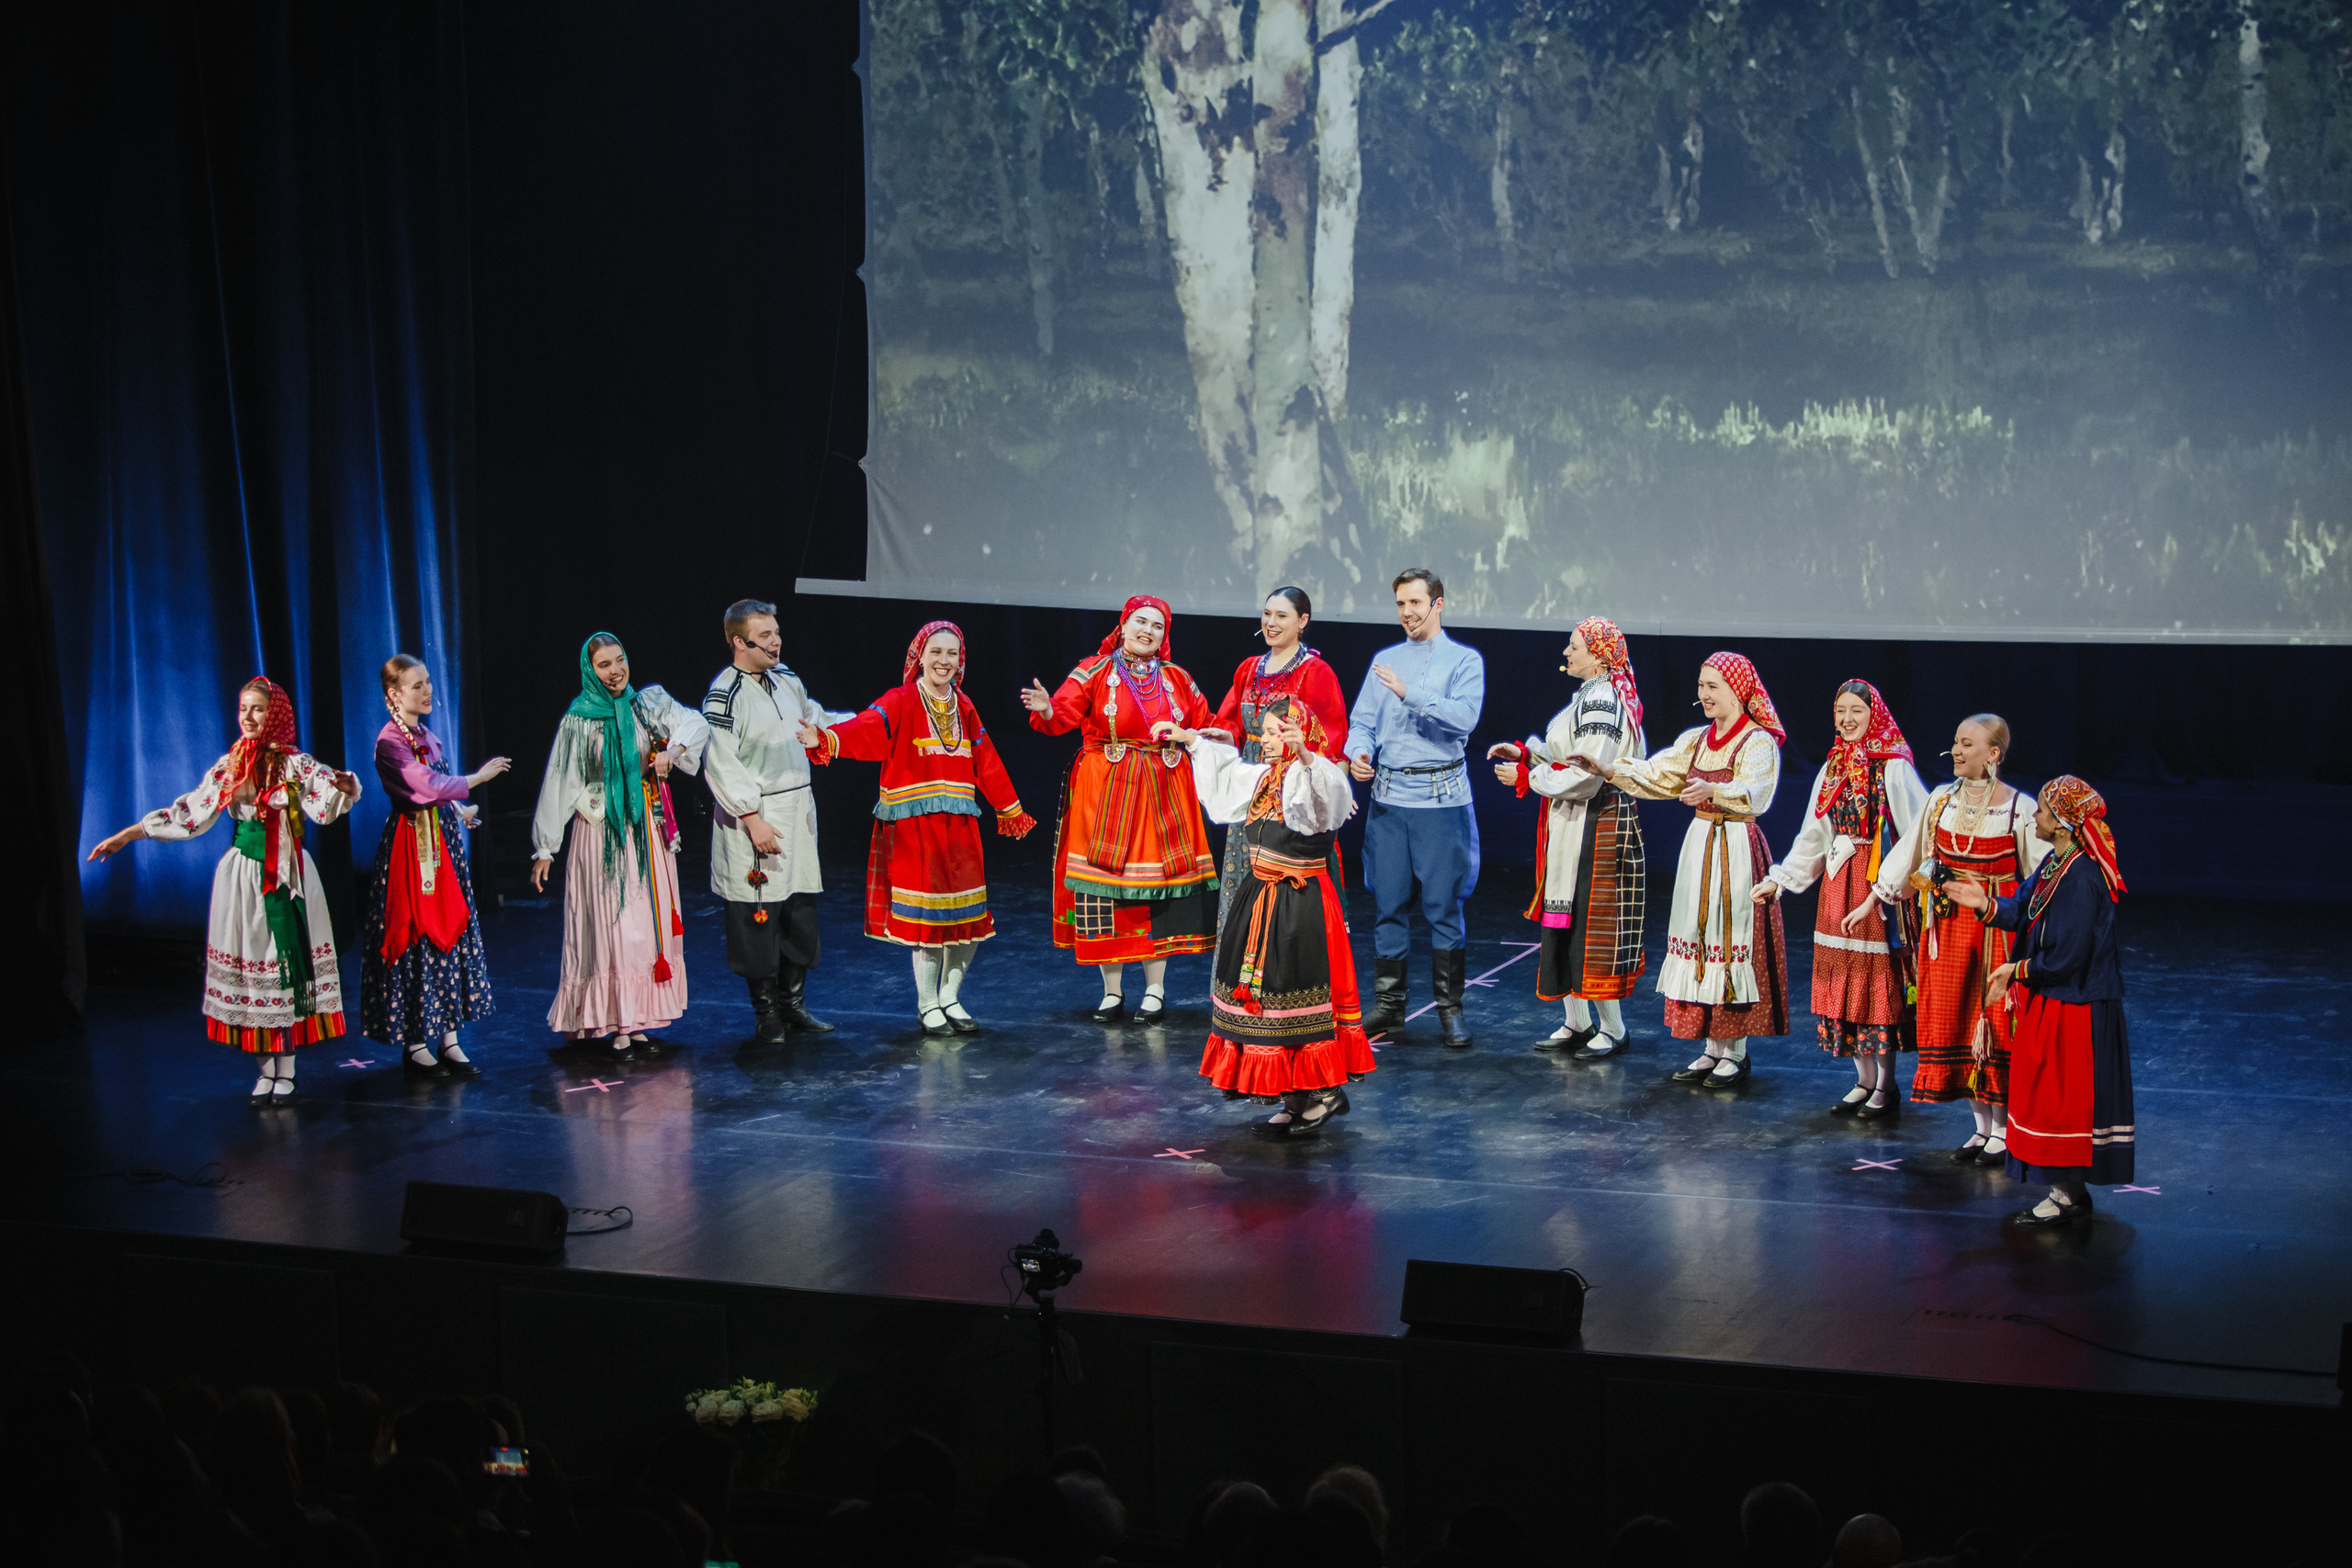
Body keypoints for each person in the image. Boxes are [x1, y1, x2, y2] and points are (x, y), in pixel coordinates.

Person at [87, 676, 362, 1103]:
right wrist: (129, 834)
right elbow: (189, 812)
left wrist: (345, 789)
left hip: (288, 874)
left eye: (258, 709)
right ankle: (265, 1070)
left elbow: (324, 804)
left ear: (275, 715)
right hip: (244, 878)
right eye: (243, 709)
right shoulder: (232, 763)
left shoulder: (296, 763)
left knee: (283, 967)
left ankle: (286, 1070)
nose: (249, 717)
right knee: (253, 964)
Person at [802, 619, 1036, 1036]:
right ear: (920, 657)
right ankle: (927, 1004)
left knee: (969, 918)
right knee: (928, 920)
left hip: (961, 824)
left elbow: (986, 758)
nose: (944, 661)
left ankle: (950, 997)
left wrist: (1009, 808)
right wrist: (827, 739)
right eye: (936, 653)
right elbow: (867, 729)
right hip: (916, 825)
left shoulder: (964, 706)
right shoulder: (902, 700)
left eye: (952, 654)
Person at [1156, 697, 1372, 1135]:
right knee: (1265, 1000)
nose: (1269, 740)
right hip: (1259, 900)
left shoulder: (1314, 777)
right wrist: (1191, 740)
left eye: (1279, 732)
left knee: (1296, 995)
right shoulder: (1263, 779)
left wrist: (1308, 753)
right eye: (1267, 732)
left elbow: (1327, 799)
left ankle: (1324, 1092)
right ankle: (1294, 1098)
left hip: (1301, 906)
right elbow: (1225, 772)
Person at [1576, 652, 1787, 1088]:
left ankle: (1737, 1050)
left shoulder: (1757, 742)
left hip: (1735, 847)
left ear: (1738, 690)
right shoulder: (1697, 739)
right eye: (1701, 685)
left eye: (1714, 686)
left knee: (1731, 939)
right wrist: (1610, 769)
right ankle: (1712, 1048)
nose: (1704, 694)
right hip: (1701, 843)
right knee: (1699, 937)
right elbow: (1658, 773)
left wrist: (1717, 789)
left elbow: (1758, 794)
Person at [1945, 775, 2132, 1226]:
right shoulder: (2056, 864)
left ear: (2064, 823)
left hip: (2077, 1005)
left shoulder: (2082, 875)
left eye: (2044, 811)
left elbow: (2069, 954)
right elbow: (2023, 911)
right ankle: (2066, 1191)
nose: (2036, 817)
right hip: (2056, 999)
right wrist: (1985, 903)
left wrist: (2016, 970)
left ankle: (2068, 1194)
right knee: (2046, 1094)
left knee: (2063, 1099)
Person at [1021, 594, 1219, 1022]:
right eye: (1140, 622)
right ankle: (1112, 992)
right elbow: (1063, 713)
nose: (1148, 631)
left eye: (1158, 626)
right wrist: (1048, 708)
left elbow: (1206, 725)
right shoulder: (1094, 669)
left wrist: (1225, 735)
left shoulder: (1178, 678)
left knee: (1158, 892)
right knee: (1105, 890)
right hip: (1107, 788)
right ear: (1124, 624)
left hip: (1164, 790)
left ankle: (1155, 990)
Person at [1868, 714, 2048, 1163]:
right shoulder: (1940, 800)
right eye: (1955, 743)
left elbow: (2042, 878)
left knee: (1992, 1025)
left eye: (1968, 744)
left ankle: (2003, 1131)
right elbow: (1910, 857)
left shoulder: (2018, 808)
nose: (1957, 752)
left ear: (1994, 754)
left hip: (1994, 933)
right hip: (1946, 932)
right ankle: (1981, 1128)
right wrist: (1874, 900)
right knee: (1951, 1020)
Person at [1755, 679, 1929, 1119]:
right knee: (1843, 979)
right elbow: (1814, 834)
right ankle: (1862, 1078)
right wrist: (1781, 878)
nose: (1847, 720)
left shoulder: (1892, 765)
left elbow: (1918, 828)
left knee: (1877, 982)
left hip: (1875, 882)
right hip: (1837, 883)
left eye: (1856, 711)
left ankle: (1885, 1086)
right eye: (1840, 711)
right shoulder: (1833, 765)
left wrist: (1889, 885)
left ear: (1874, 715)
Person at [529, 633, 708, 1059]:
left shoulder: (646, 704)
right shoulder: (579, 719)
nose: (615, 671)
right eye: (605, 665)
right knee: (614, 925)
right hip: (601, 833)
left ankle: (640, 1020)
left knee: (644, 925)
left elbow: (696, 722)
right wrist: (545, 847)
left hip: (644, 830)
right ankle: (618, 1023)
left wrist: (675, 749)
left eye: (620, 660)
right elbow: (561, 781)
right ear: (590, 671)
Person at [1487, 615, 1648, 1059]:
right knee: (1565, 919)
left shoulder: (1604, 702)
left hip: (1597, 823)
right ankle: (1576, 1021)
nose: (1566, 652)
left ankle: (1613, 1029)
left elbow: (1586, 775)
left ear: (1597, 655)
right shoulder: (1590, 696)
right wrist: (1527, 752)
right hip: (1575, 823)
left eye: (1574, 646)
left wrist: (1528, 773)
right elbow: (1566, 753)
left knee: (1591, 926)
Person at [699, 598, 854, 1042]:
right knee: (758, 918)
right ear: (739, 641)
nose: (776, 641)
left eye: (777, 632)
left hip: (797, 811)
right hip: (758, 816)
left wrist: (868, 726)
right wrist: (752, 818)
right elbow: (720, 761)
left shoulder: (786, 679)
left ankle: (793, 1005)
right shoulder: (724, 693)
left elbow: (818, 720)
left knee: (798, 913)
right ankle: (766, 1013)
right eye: (765, 635)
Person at [1345, 568, 1486, 1046]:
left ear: (1438, 604)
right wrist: (1358, 753)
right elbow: (1362, 722)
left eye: (1415, 603)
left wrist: (1412, 693)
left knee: (1442, 908)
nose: (1406, 613)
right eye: (1400, 604)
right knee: (1387, 905)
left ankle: (1450, 1008)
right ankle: (1389, 1007)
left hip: (1440, 801)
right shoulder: (1385, 659)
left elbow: (1464, 719)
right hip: (1388, 800)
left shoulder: (1464, 661)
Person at [361, 655, 510, 1079]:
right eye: (417, 686)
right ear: (395, 694)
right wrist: (476, 779)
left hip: (442, 847)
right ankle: (415, 1042)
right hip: (412, 849)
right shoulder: (389, 742)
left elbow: (439, 788)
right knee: (417, 934)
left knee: (450, 929)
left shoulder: (427, 735)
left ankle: (449, 1037)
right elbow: (423, 785)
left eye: (427, 683)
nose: (427, 691)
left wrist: (459, 810)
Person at [1208, 586, 1350, 919]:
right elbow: (1232, 724)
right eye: (1267, 614)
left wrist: (1330, 786)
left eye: (1281, 616)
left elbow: (1330, 739)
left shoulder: (1316, 672)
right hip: (1250, 784)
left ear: (1303, 621)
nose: (1271, 622)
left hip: (1291, 786)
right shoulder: (1248, 669)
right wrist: (1221, 735)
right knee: (1244, 874)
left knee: (1282, 881)